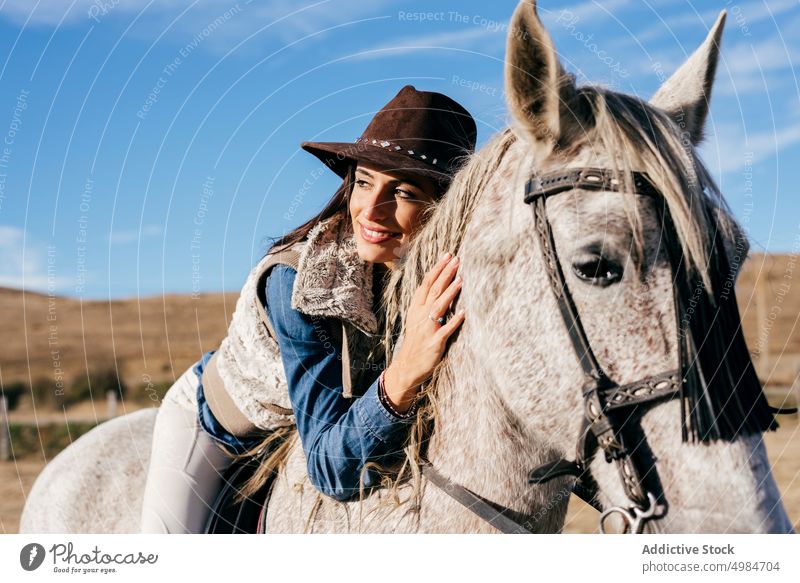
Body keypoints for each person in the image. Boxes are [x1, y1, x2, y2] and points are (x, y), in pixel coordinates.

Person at [140, 85, 477, 533]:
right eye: (362, 182)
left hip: (323, 426)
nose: (371, 210)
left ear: (444, 209)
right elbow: (329, 470)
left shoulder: (451, 276)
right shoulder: (299, 282)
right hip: (226, 429)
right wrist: (404, 371)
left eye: (404, 192)